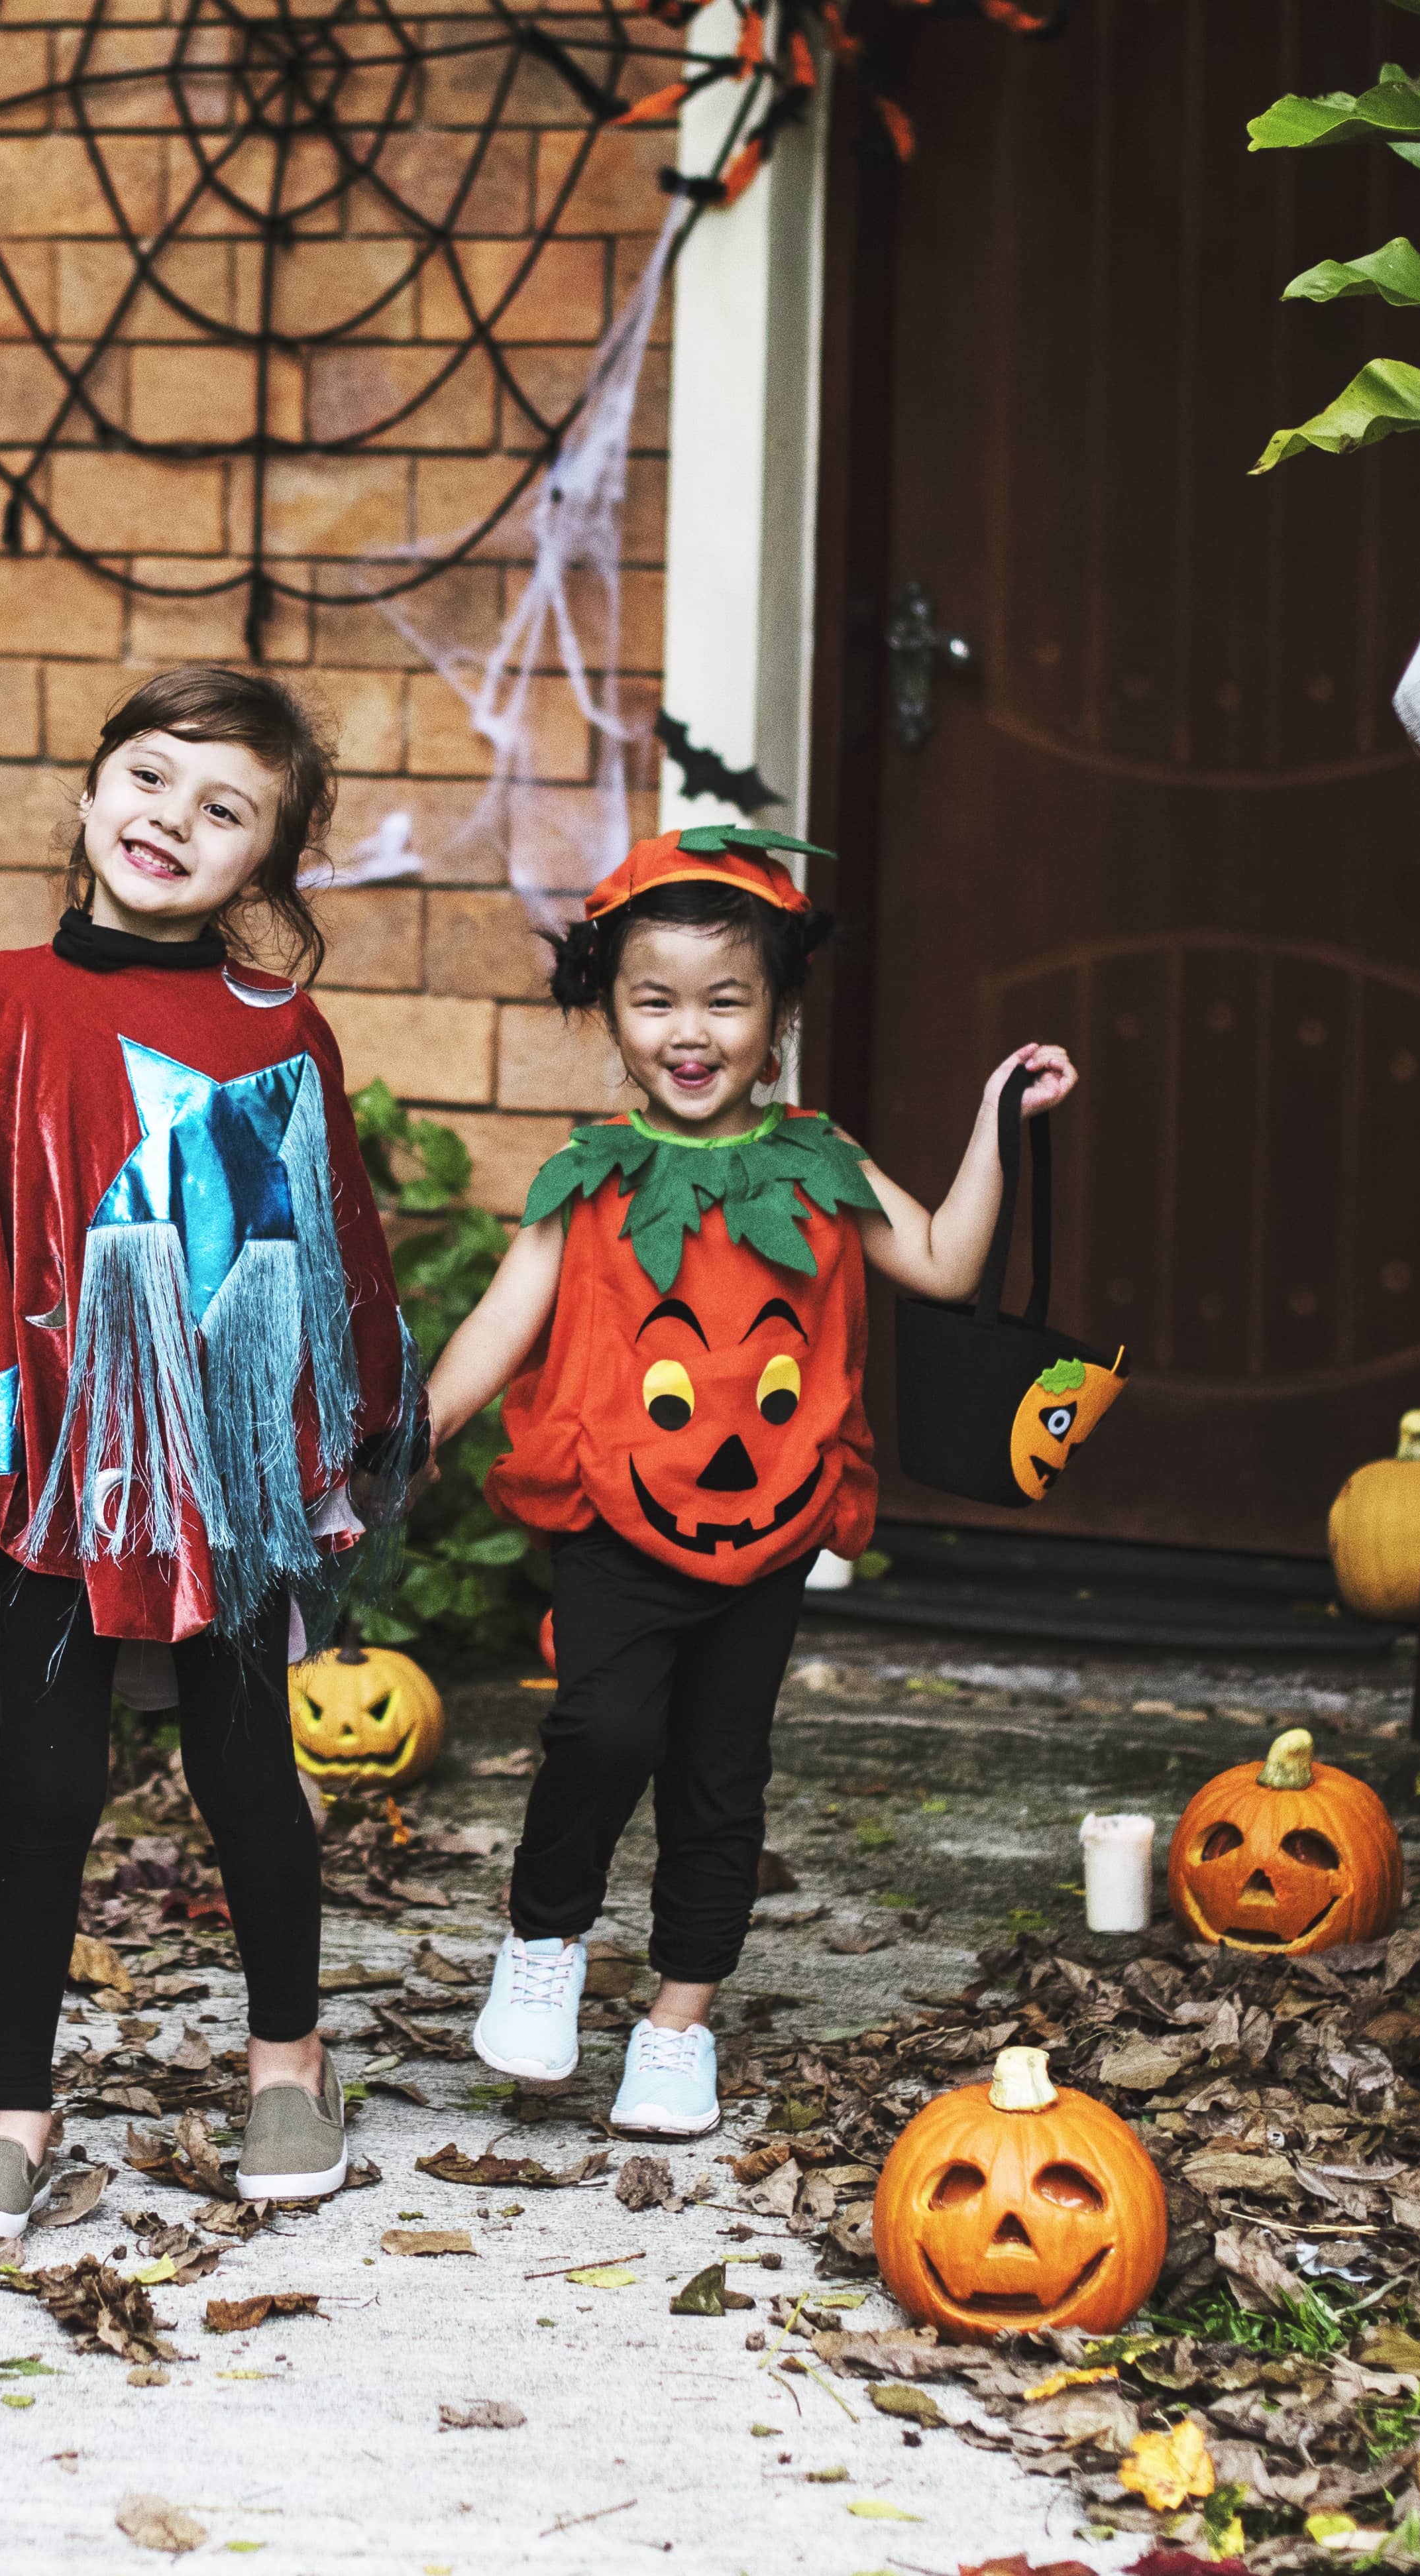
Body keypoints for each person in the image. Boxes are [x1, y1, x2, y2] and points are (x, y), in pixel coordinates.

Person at [0, 667, 417, 2238]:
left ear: (265, 869)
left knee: (249, 1778)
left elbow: (325, 1252)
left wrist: (334, 1454)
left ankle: (287, 2065)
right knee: (42, 1791)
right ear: (94, 787)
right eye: (150, 778)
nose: (172, 819)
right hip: (46, 1478)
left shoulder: (276, 1029)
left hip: (223, 1490)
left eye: (223, 810)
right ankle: (13, 2114)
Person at [415, 830, 1077, 2138]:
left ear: (776, 1018)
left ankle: (676, 2028)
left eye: (725, 1000)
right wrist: (417, 1427)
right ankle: (545, 1945)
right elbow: (503, 1321)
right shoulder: (591, 1178)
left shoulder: (819, 1162)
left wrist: (995, 1118)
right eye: (655, 1000)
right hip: (621, 1513)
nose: (689, 1030)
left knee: (721, 1780)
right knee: (602, 1733)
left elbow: (944, 1262)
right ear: (611, 1010)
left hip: (768, 1528)